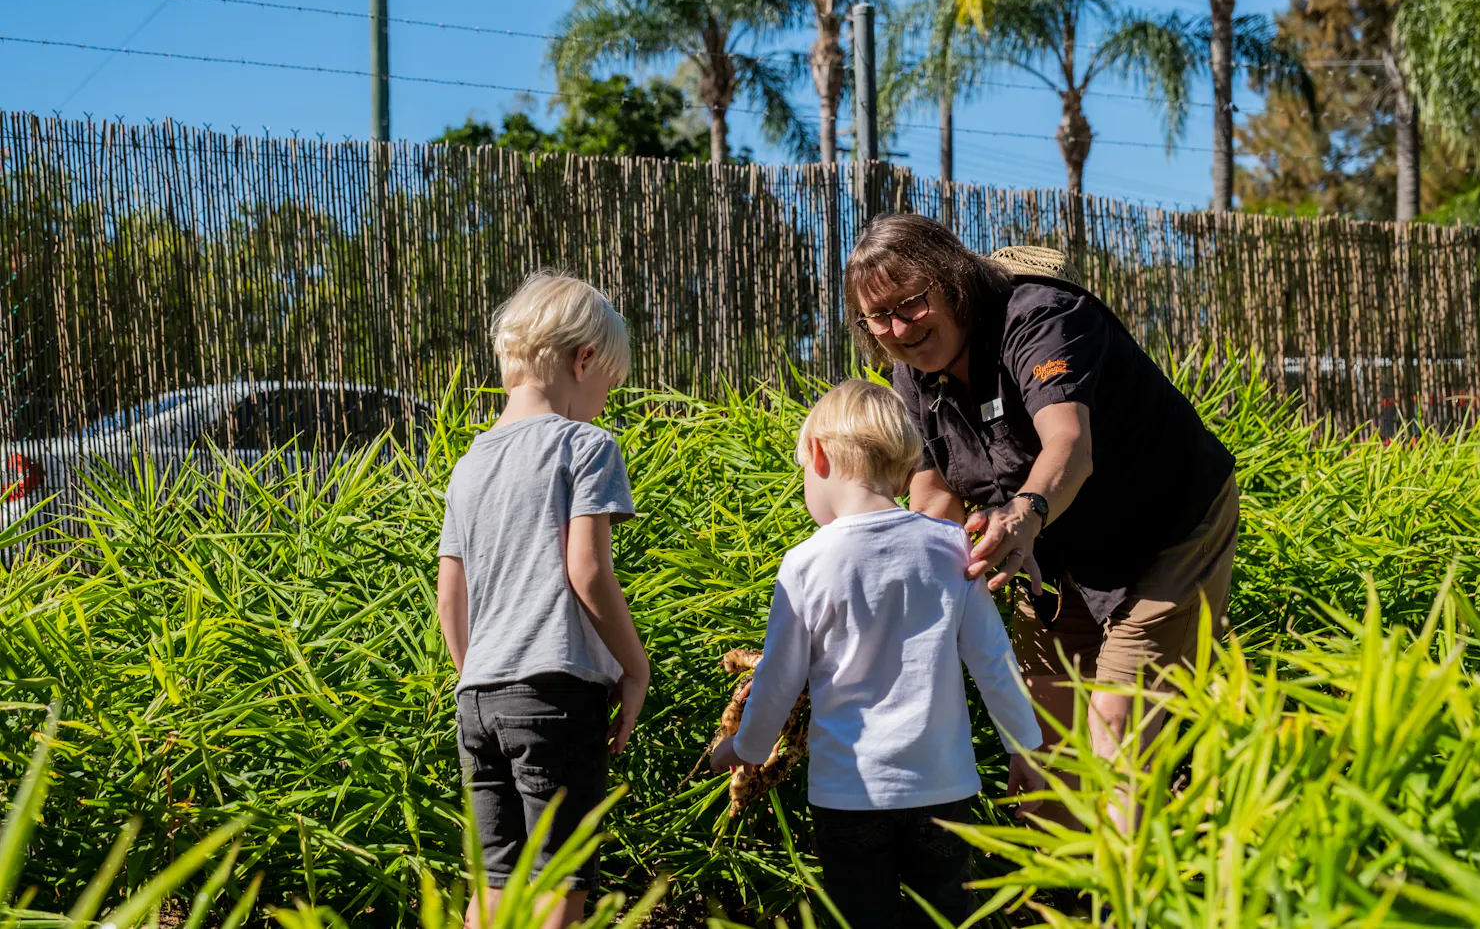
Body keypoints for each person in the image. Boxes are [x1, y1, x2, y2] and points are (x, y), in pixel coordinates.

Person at [843, 214, 1238, 816]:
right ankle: (1050, 898)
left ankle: (1128, 896)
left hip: (1165, 533)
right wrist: (876, 595)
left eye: (912, 302)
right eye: (880, 317)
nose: (899, 328)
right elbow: (934, 496)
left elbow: (1069, 447)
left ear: (952, 279)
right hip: (1055, 548)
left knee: (1115, 735)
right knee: (1040, 741)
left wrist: (1022, 515)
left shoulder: (1041, 318)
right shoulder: (914, 372)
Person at [709, 379, 1044, 929]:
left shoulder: (806, 564)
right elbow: (993, 662)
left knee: (862, 916)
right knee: (950, 914)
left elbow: (779, 680)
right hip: (943, 788)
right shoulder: (949, 546)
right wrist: (1024, 746)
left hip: (849, 794)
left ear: (817, 454)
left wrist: (745, 747)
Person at [436, 273, 650, 929]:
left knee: (496, 882)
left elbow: (451, 595)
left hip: (479, 696)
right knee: (558, 881)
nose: (603, 404)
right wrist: (634, 667)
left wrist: (477, 669)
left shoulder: (469, 463)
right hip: (555, 693)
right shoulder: (585, 446)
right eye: (606, 387)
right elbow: (586, 570)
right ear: (584, 359)